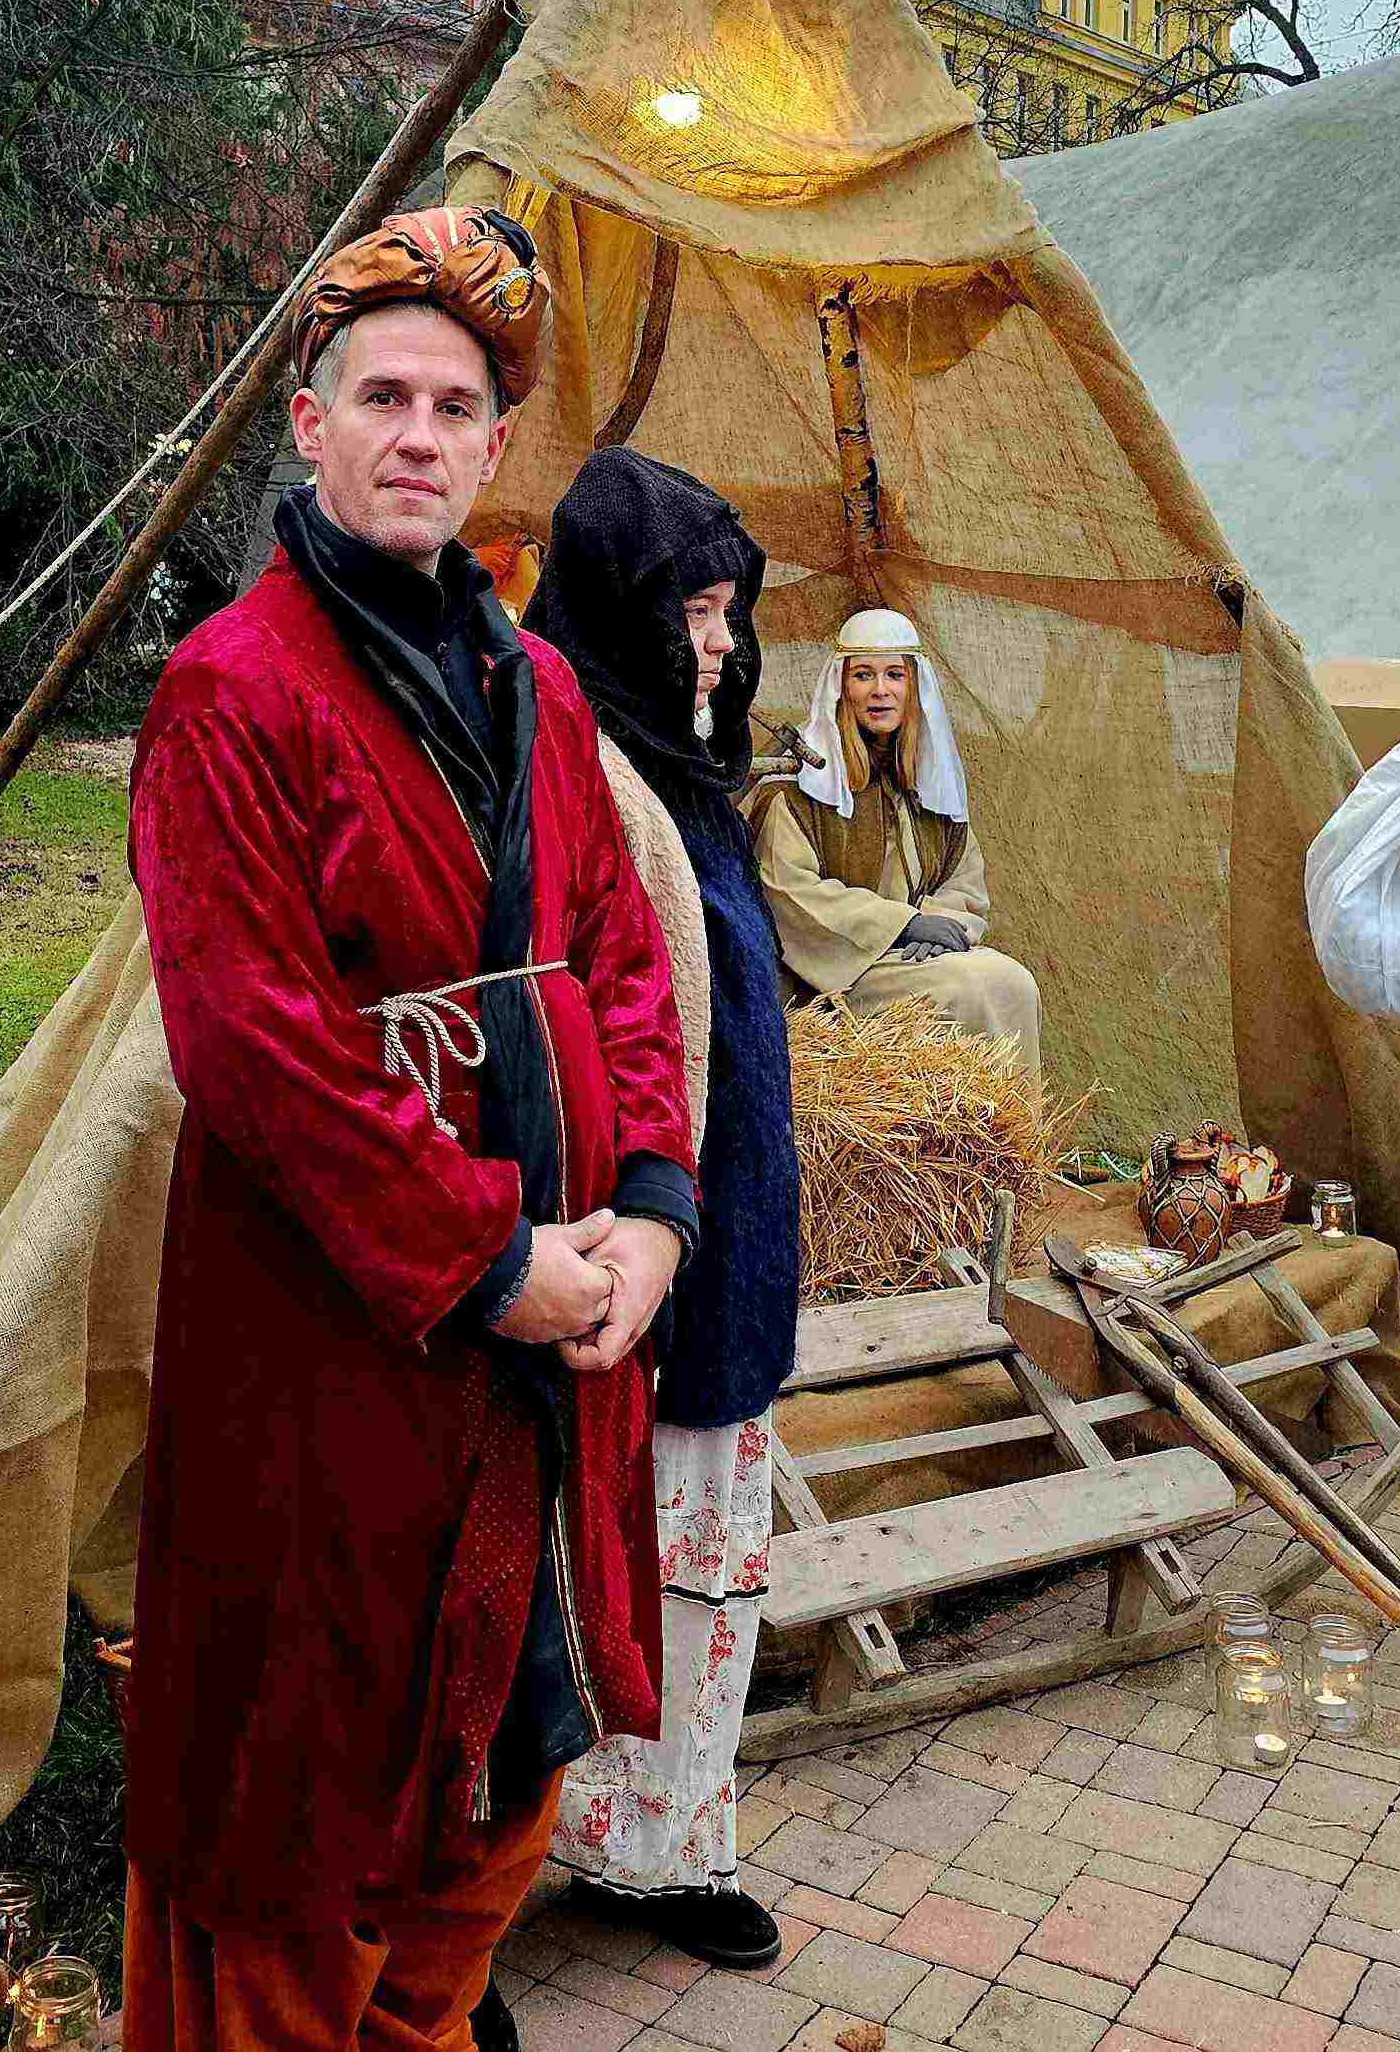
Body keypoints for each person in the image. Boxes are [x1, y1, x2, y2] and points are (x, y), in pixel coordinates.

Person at [120, 205, 697, 2052]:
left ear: (497, 445)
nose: (418, 435)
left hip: (551, 1332)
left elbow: (615, 949)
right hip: (329, 1340)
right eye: (382, 395)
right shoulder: (233, 688)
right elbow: (257, 1043)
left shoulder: (534, 687)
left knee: (506, 1736)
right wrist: (487, 1257)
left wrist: (657, 1216)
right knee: (307, 1783)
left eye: (456, 405)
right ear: (310, 422)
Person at [529, 448, 801, 1971]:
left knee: (705, 1574)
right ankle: (532, 1861)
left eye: (727, 615)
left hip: (725, 1242)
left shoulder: (687, 775)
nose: (721, 645)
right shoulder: (572, 766)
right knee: (591, 1574)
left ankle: (671, 1850)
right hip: (623, 1254)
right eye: (693, 613)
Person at [751, 606, 1043, 1069]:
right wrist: (899, 925)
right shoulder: (799, 790)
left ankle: (1013, 1139)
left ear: (914, 689)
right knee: (970, 988)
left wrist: (937, 925)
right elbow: (788, 892)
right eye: (864, 675)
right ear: (842, 688)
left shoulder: (931, 787)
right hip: (834, 976)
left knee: (1014, 983)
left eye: (894, 675)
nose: (880, 690)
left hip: (912, 959)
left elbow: (964, 885)